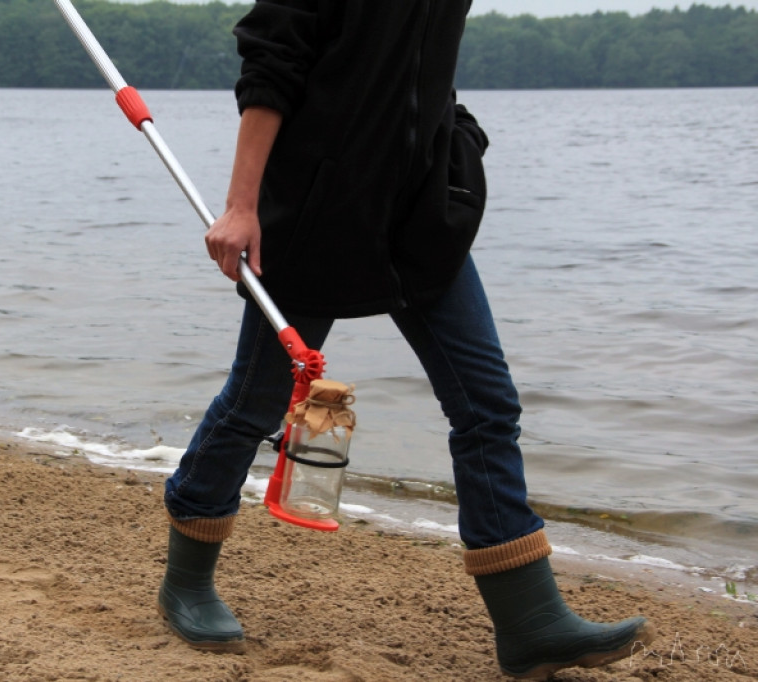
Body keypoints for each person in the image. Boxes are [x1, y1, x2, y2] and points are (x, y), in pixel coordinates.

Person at [157, 1, 655, 678]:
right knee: (255, 404)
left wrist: (459, 141)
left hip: (421, 214)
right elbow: (270, 59)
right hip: (317, 214)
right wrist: (243, 206)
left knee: (487, 406)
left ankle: (530, 621)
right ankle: (187, 574)